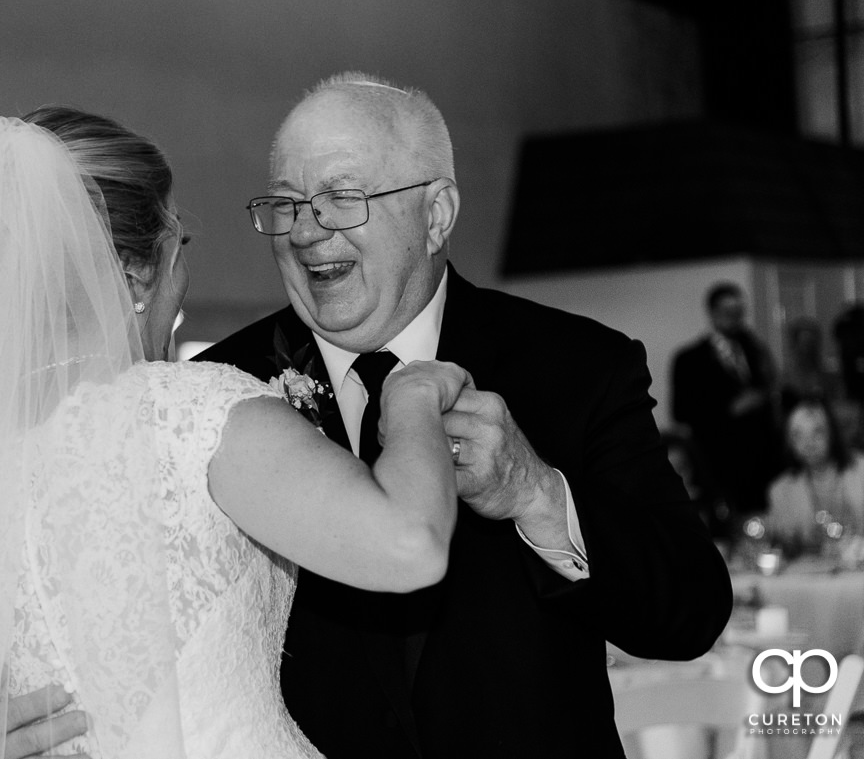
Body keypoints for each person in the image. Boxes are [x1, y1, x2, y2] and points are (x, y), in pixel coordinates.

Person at [0, 111, 469, 759]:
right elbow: (409, 543)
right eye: (177, 241)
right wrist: (410, 393)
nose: (184, 265)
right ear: (137, 276)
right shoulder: (192, 414)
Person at [197, 72, 732, 757]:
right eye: (285, 203)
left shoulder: (578, 366)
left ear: (437, 213)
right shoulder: (219, 391)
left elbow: (689, 613)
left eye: (340, 197)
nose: (304, 231)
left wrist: (539, 492)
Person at [673, 281, 781, 516]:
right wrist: (729, 410)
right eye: (727, 311)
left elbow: (769, 385)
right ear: (712, 312)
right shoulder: (690, 359)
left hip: (761, 459)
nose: (734, 317)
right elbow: (680, 411)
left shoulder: (753, 348)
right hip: (719, 460)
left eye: (738, 311)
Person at [765, 397, 864, 554]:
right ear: (789, 443)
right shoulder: (781, 490)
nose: (808, 443)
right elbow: (781, 544)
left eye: (817, 431)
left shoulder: (860, 471)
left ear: (832, 432)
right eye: (798, 435)